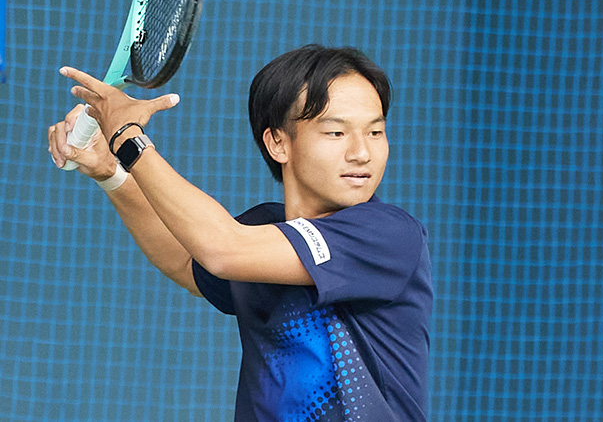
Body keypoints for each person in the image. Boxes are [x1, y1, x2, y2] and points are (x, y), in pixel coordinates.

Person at [48, 45, 433, 421]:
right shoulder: (262, 232)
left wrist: (127, 140)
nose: (362, 153)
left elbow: (221, 248)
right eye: (336, 133)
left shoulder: (387, 236)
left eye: (376, 132)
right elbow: (187, 262)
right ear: (278, 142)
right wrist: (111, 173)